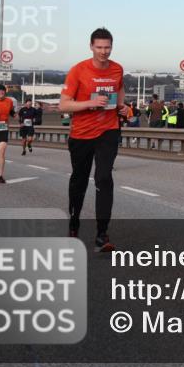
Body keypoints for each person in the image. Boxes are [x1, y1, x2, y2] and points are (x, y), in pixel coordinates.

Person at [59, 27, 128, 251]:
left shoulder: (117, 69)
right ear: (91, 46)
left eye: (107, 47)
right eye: (99, 47)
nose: (103, 51)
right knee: (79, 179)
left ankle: (102, 234)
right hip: (81, 134)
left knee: (104, 177)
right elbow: (64, 104)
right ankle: (74, 222)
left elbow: (120, 90)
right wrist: (90, 103)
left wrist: (122, 106)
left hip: (108, 130)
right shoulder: (78, 70)